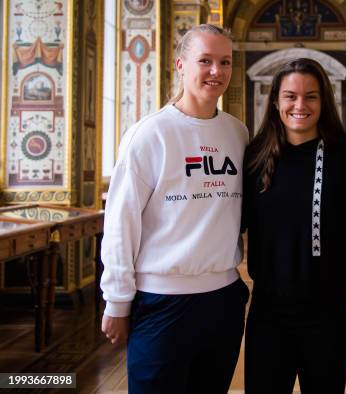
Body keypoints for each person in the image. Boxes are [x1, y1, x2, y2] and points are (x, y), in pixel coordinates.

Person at [100, 24, 249, 393]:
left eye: (225, 62)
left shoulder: (238, 133)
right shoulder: (150, 134)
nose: (217, 71)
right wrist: (117, 300)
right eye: (206, 61)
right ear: (181, 65)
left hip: (223, 299)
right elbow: (121, 221)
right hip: (161, 301)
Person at [242, 58, 346, 393]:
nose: (300, 105)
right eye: (290, 96)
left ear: (324, 101)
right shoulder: (253, 158)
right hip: (269, 314)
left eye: (311, 96)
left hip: (328, 317)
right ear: (276, 101)